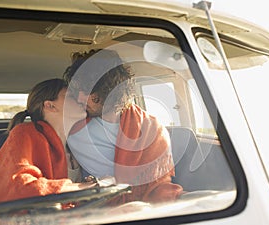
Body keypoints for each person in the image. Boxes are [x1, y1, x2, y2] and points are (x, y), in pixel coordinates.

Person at [63, 49, 183, 206]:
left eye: (88, 93)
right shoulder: (72, 124)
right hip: (92, 203)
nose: (80, 98)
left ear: (109, 92)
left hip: (139, 206)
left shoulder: (152, 129)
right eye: (78, 91)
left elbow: (160, 184)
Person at [0, 78, 95, 204]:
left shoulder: (81, 141)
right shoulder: (24, 133)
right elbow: (21, 187)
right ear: (50, 106)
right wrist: (88, 187)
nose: (80, 99)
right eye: (71, 96)